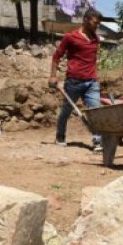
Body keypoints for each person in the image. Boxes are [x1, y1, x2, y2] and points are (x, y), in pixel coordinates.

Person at [49, 9, 103, 151]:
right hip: (74, 81)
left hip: (92, 81)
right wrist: (53, 76)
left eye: (98, 23)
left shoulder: (96, 39)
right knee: (66, 111)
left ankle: (98, 141)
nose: (97, 25)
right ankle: (60, 136)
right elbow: (56, 56)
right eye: (95, 22)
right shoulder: (70, 37)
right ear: (85, 20)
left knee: (96, 111)